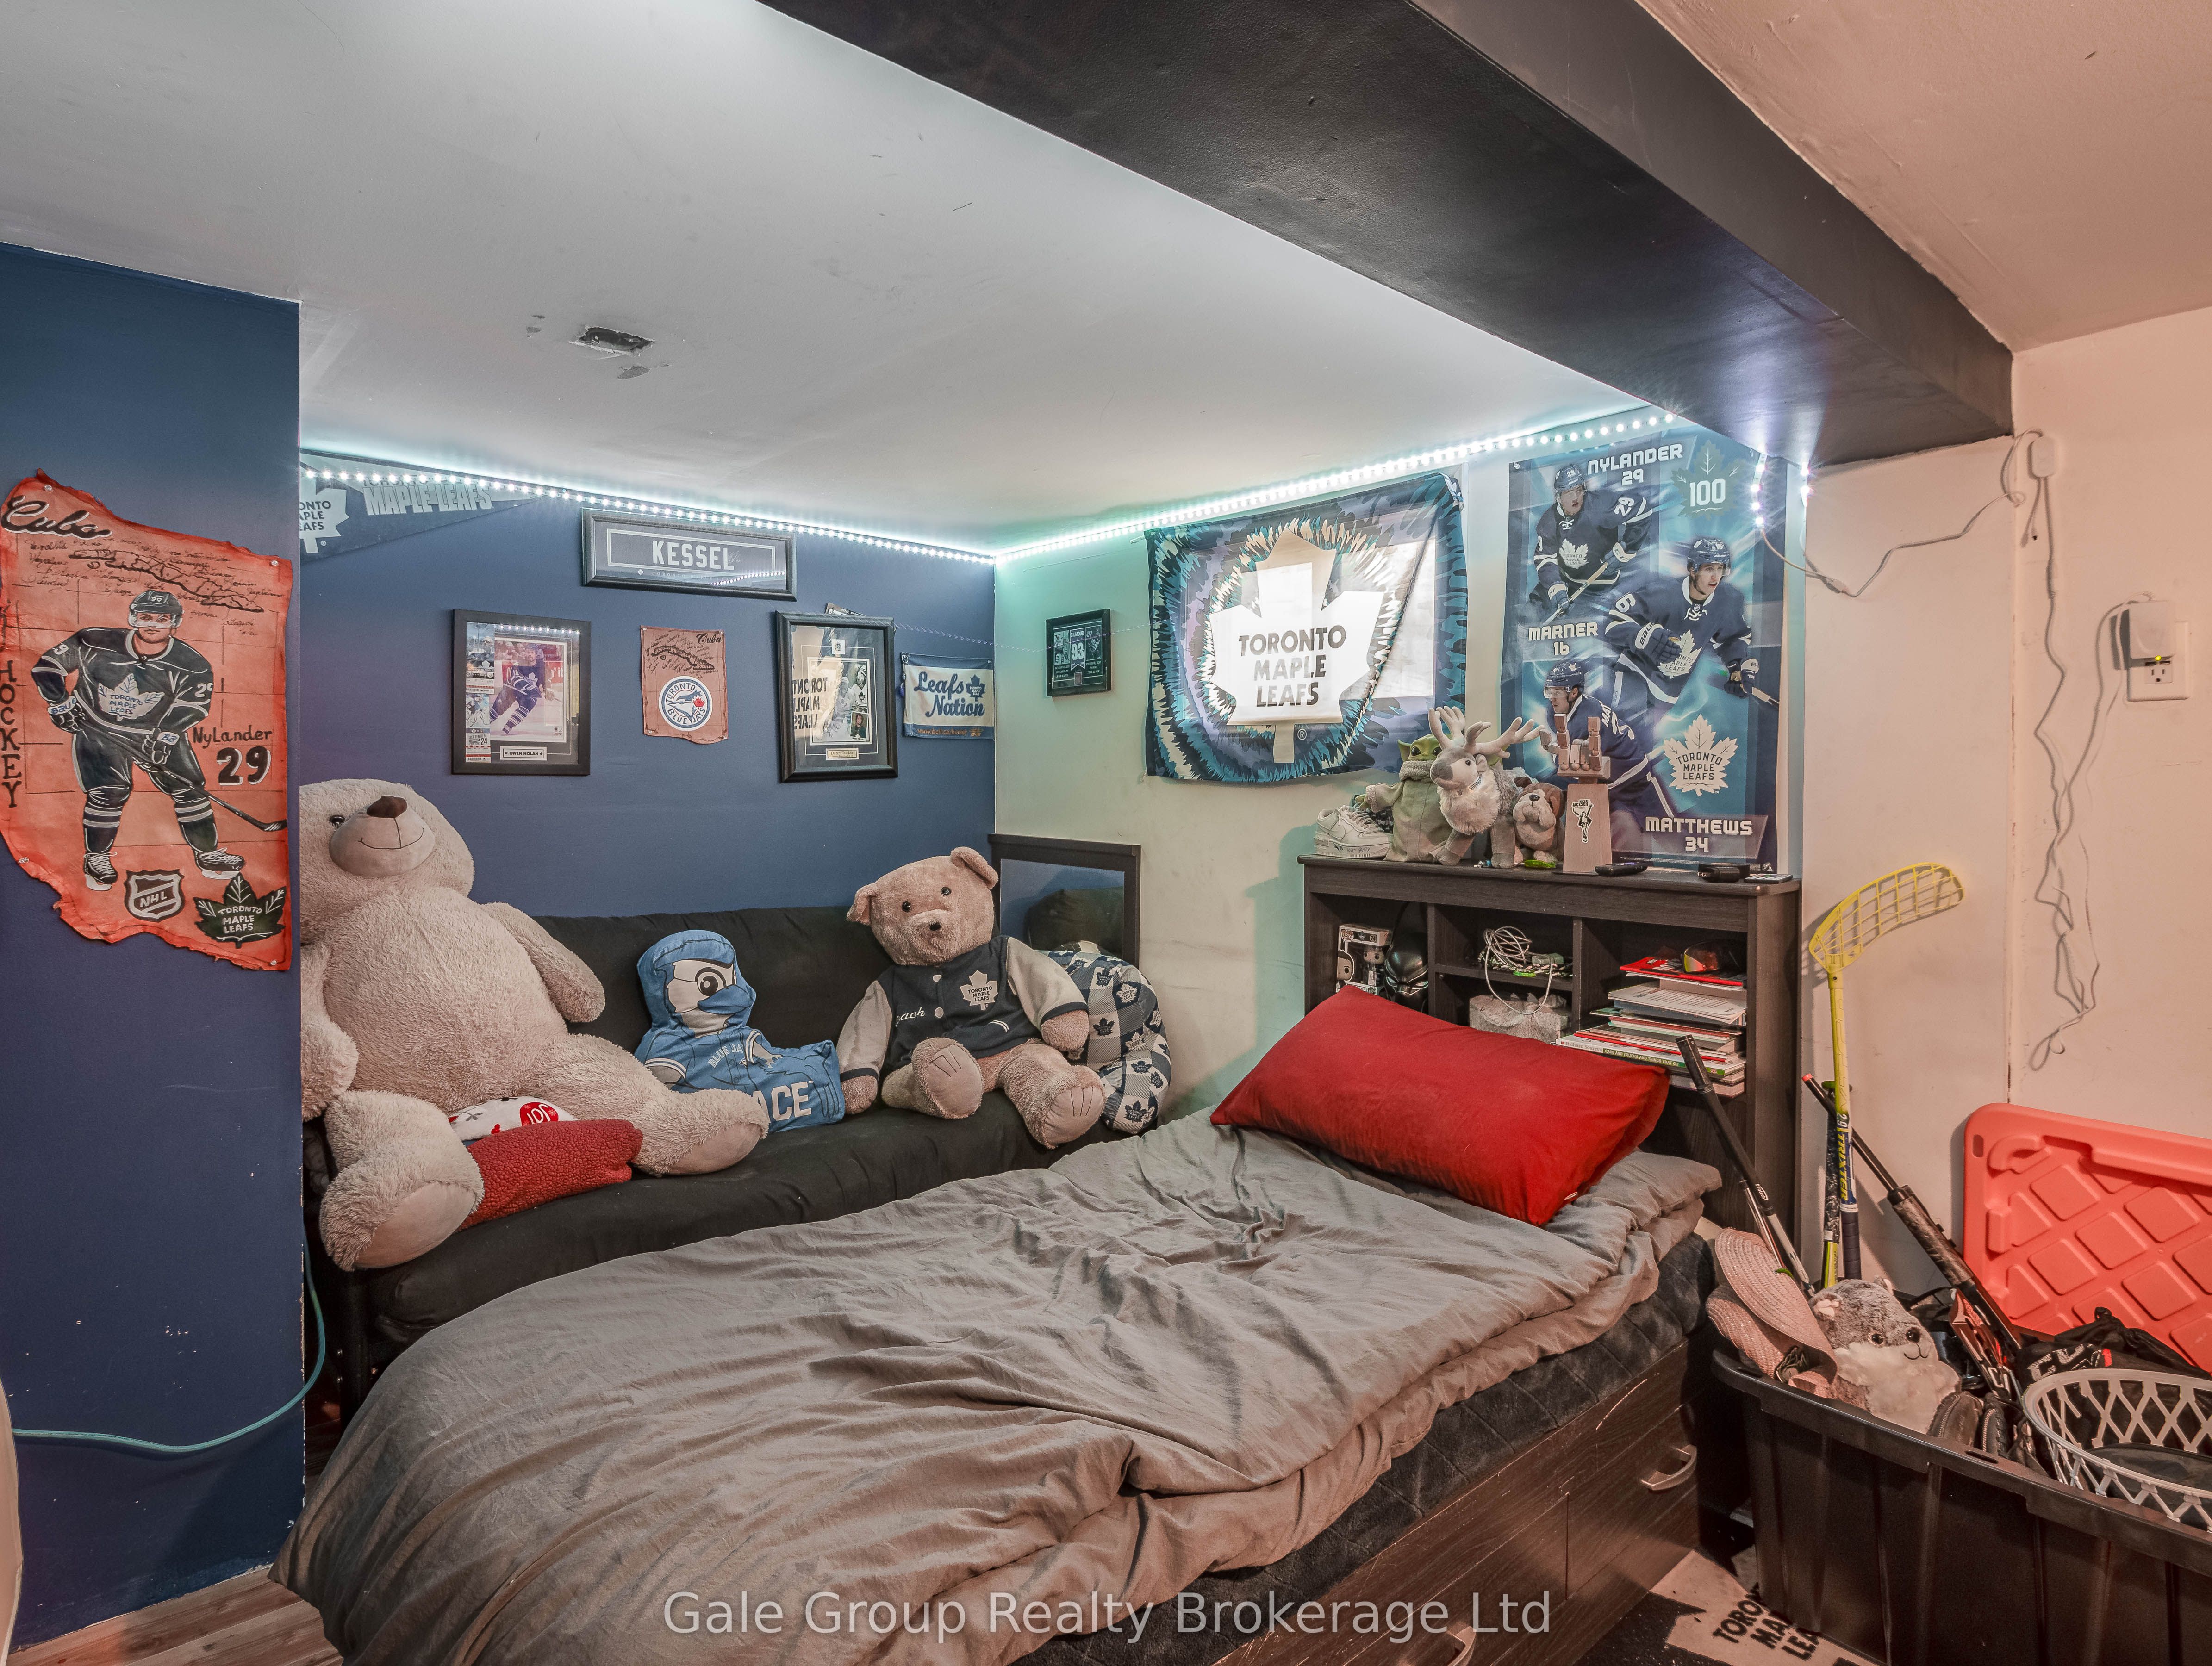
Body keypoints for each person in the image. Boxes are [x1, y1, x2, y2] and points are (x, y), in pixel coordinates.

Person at [32, 588, 243, 889]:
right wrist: (59, 702)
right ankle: (97, 858)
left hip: (154, 732)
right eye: (146, 617)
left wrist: (167, 734)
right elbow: (47, 666)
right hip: (98, 728)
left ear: (175, 623)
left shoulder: (192, 663)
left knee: (190, 789)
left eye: (162, 619)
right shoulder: (93, 640)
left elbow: (193, 706)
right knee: (108, 793)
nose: (153, 624)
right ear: (133, 618)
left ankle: (208, 855)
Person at [1601, 536, 1758, 727]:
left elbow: (1733, 638)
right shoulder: (1664, 593)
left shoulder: (1727, 601)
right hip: (1636, 673)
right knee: (1619, 733)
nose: (1716, 577)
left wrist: (1736, 667)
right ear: (1693, 569)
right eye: (1709, 569)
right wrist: (1643, 637)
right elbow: (1615, 620)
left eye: (1720, 568)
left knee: (1638, 741)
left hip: (1668, 692)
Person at [1531, 657, 1661, 845]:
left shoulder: (1587, 719)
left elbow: (1570, 761)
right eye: (1550, 691)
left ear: (1573, 693)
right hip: (1606, 775)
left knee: (1663, 830)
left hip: (1633, 775)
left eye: (1557, 692)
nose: (1552, 698)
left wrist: (1554, 751)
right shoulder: (1558, 711)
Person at [1527, 462, 1658, 611]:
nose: (1576, 498)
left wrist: (1627, 548)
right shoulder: (1548, 521)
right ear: (1559, 497)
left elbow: (1641, 509)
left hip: (1605, 588)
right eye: (1569, 493)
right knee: (1530, 613)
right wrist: (1556, 587)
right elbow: (1545, 558)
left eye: (1579, 490)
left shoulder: (1600, 505)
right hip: (1567, 583)